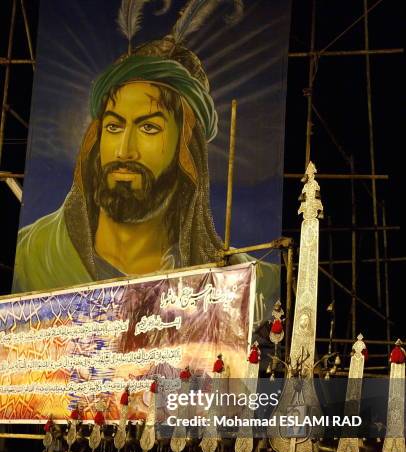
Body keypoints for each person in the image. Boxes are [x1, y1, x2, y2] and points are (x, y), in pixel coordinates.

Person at [13, 5, 279, 320]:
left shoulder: (248, 286)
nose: (124, 151)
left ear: (187, 150)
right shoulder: (31, 256)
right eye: (113, 126)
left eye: (148, 127)